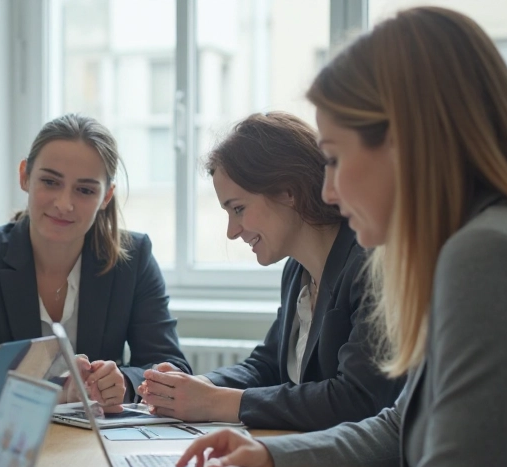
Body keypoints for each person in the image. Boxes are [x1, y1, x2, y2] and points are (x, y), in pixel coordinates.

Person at [166, 7, 507, 467]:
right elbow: (400, 423)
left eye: (334, 159)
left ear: (407, 142)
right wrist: (270, 455)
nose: (326, 189)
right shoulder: (481, 242)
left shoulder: (489, 255)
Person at [139, 112, 402, 431]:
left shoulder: (369, 263)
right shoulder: (297, 270)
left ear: (288, 192)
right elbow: (266, 366)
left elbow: (357, 400)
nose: (231, 232)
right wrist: (192, 387)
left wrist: (212, 402)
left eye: (238, 209)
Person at [0, 113, 190, 409]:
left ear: (106, 197)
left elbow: (173, 368)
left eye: (84, 190)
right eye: (50, 182)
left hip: (92, 445)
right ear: (24, 177)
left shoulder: (133, 259)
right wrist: (55, 390)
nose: (63, 204)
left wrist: (124, 384)